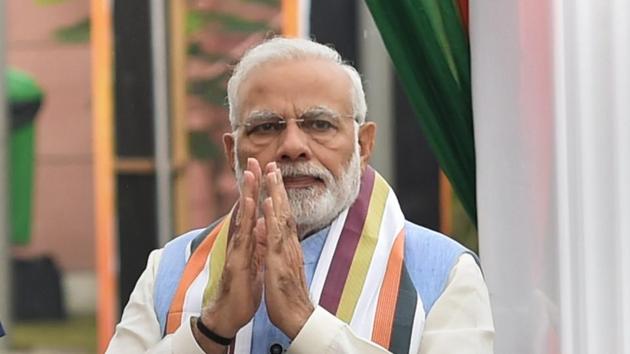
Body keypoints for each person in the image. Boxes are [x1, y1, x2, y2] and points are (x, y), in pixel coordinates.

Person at [106, 37, 494, 354]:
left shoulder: (444, 273)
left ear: (364, 144)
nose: (293, 146)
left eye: (320, 124)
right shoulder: (170, 268)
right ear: (231, 152)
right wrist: (209, 332)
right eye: (266, 127)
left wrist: (307, 324)